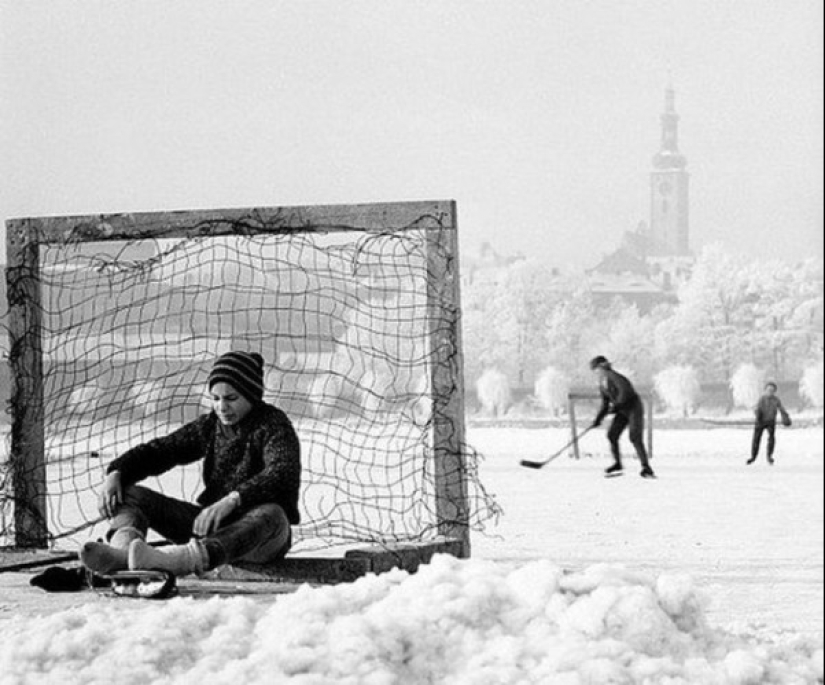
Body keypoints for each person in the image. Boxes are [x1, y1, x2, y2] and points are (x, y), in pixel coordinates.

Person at [80, 350, 301, 577]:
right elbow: (164, 450)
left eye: (231, 398)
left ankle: (182, 561)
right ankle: (123, 555)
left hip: (260, 538)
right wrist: (117, 471)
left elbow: (282, 471)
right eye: (216, 398)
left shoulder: (273, 424)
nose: (222, 407)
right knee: (130, 495)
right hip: (211, 527)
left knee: (273, 514)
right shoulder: (211, 425)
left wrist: (233, 499)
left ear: (252, 395)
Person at [589, 355, 655, 479]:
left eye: (596, 369)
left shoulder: (614, 376)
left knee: (635, 437)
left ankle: (646, 468)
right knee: (612, 434)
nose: (596, 373)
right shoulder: (602, 383)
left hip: (633, 408)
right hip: (622, 409)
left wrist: (616, 406)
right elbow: (605, 403)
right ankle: (618, 464)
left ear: (602, 367)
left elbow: (625, 392)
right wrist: (598, 419)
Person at [747, 381, 792, 465]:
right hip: (760, 421)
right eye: (768, 390)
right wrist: (757, 413)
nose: (770, 392)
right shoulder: (761, 399)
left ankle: (769, 456)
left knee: (771, 438)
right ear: (765, 390)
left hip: (771, 422)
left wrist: (785, 416)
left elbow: (781, 409)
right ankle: (753, 457)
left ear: (774, 391)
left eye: (772, 390)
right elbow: (755, 408)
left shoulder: (776, 400)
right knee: (756, 439)